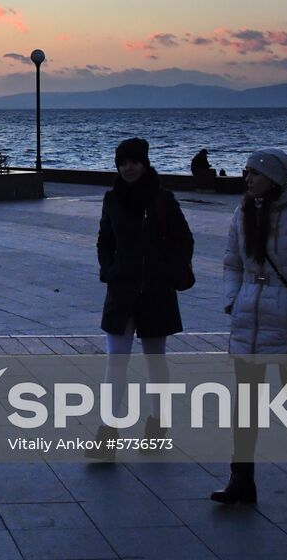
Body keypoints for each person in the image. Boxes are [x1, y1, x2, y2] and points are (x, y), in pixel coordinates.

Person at [212, 149, 287, 505]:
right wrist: (234, 298)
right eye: (246, 172)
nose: (247, 179)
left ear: (275, 178)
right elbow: (232, 261)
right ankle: (241, 478)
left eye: (255, 173)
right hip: (249, 317)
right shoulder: (242, 213)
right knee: (246, 401)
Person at [96, 138, 195, 448]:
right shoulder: (112, 199)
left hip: (156, 291)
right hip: (121, 290)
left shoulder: (163, 200)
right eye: (123, 162)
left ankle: (157, 424)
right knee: (116, 361)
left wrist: (166, 270)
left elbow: (184, 240)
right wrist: (108, 270)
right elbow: (105, 240)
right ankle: (107, 434)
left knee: (155, 360)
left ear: (145, 163)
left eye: (134, 161)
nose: (128, 167)